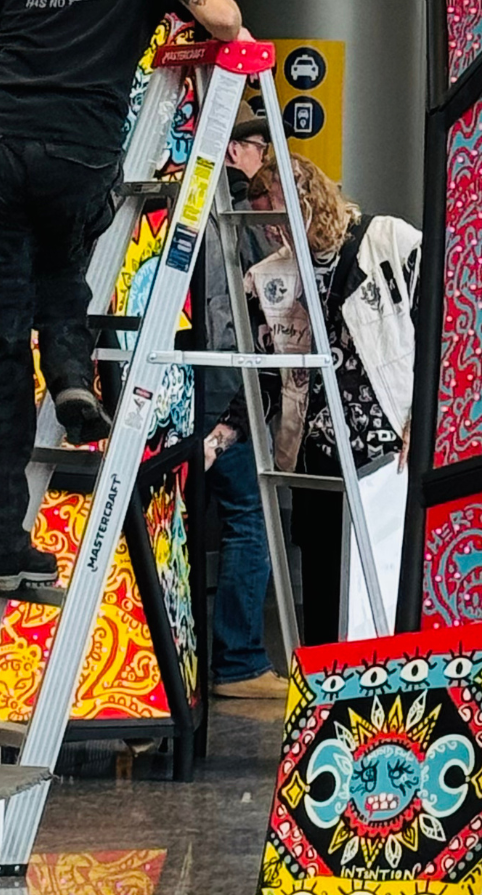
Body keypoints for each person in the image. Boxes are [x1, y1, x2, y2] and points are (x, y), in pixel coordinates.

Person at [0, 0, 247, 594]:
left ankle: (0, 535)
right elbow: (223, 18)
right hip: (77, 148)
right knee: (65, 264)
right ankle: (70, 372)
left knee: (2, 336)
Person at [205, 155, 420, 645]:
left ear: (309, 204)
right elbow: (266, 376)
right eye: (266, 223)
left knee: (387, 589)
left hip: (388, 456)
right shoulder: (270, 276)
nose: (274, 236)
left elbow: (443, 336)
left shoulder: (391, 243)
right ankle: (325, 702)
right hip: (315, 461)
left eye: (278, 219)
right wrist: (220, 438)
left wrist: (425, 422)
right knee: (323, 596)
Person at [200, 103, 286, 698]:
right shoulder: (242, 213)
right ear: (237, 150)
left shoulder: (185, 202)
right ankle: (239, 662)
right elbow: (256, 310)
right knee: (249, 522)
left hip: (186, 387)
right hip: (230, 389)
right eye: (259, 148)